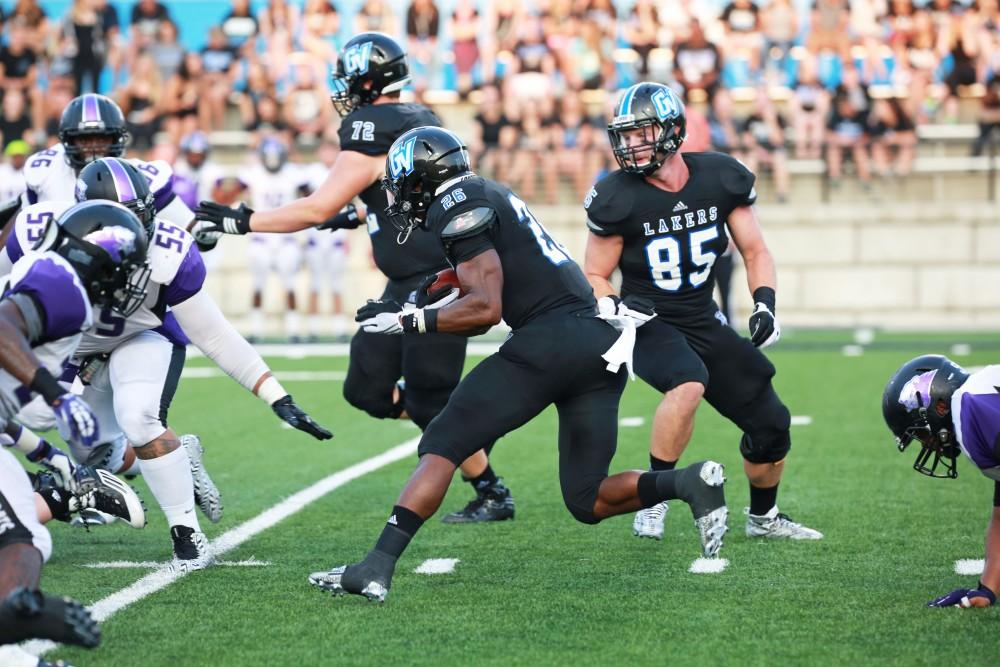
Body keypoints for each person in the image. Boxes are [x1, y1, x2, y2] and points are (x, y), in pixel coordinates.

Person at [308, 126, 729, 602]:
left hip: (551, 340)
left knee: (444, 441)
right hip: (600, 345)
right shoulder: (485, 192)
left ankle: (375, 567)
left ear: (424, 177)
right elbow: (493, 289)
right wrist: (442, 291)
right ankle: (687, 482)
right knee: (587, 498)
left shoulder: (455, 202)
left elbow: (485, 309)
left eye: (403, 182)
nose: (397, 194)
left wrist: (410, 319)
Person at [195, 32, 516, 524]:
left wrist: (242, 220)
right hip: (405, 282)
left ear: (369, 82)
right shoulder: (419, 116)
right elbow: (394, 190)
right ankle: (464, 422)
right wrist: (363, 212)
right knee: (365, 389)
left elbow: (318, 206)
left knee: (431, 400)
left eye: (349, 79)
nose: (343, 89)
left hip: (436, 282)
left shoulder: (370, 124)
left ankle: (490, 488)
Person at [11, 160, 332, 571]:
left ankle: (187, 531)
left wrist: (276, 395)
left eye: (140, 217)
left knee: (140, 417)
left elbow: (213, 335)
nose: (134, 234)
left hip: (138, 337)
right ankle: (159, 464)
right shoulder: (36, 238)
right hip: (68, 342)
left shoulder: (169, 250)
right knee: (65, 431)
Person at [583, 82, 822, 543]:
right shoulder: (618, 196)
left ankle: (763, 518)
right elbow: (593, 274)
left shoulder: (719, 177)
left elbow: (755, 250)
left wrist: (765, 303)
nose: (631, 145)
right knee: (688, 382)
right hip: (648, 320)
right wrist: (611, 303)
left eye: (642, 133)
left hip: (701, 316)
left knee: (771, 422)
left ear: (673, 130)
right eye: (626, 135)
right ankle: (652, 502)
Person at [0, 199, 153, 655]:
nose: (128, 278)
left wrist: (51, 458)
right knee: (23, 540)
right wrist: (58, 393)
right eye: (126, 266)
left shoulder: (43, 270)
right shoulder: (65, 287)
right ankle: (14, 622)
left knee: (24, 533)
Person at [882, 355, 1000, 608]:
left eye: (922, 434)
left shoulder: (973, 413)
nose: (927, 444)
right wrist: (987, 590)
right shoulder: (974, 402)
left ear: (940, 407)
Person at [244, 138, 304, 342]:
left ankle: (293, 329)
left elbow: (310, 192)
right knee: (258, 285)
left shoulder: (292, 173)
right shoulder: (253, 173)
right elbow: (232, 189)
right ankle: (256, 328)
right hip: (261, 236)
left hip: (286, 236)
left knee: (289, 285)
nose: (272, 162)